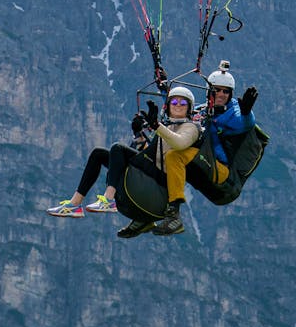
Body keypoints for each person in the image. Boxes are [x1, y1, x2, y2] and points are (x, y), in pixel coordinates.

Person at [46, 86, 201, 237]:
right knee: (98, 154)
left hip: (163, 179)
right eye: (174, 102)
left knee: (118, 149)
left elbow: (179, 143)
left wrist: (156, 126)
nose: (178, 105)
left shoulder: (191, 127)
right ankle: (75, 204)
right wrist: (138, 135)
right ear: (168, 107)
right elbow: (146, 152)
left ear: (190, 108)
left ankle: (108, 199)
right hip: (150, 170)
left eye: (183, 103)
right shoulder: (166, 126)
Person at [152, 60, 258, 236]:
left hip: (220, 170)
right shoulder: (202, 111)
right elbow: (180, 111)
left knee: (174, 156)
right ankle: (149, 208)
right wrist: (164, 89)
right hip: (202, 162)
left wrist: (247, 113)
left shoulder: (234, 112)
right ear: (210, 91)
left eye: (226, 91)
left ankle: (174, 216)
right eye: (217, 90)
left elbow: (243, 124)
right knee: (163, 149)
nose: (221, 94)